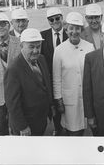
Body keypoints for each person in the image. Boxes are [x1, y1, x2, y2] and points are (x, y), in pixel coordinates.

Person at [4, 28, 52, 136]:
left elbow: (46, 86)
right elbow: (12, 103)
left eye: (38, 46)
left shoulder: (41, 59)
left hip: (41, 120)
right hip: (26, 125)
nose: (36, 50)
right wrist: (22, 126)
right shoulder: (13, 69)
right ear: (21, 46)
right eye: (31, 47)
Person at [53, 12, 94, 136]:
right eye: (71, 28)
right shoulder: (59, 50)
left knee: (89, 132)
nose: (74, 31)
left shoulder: (89, 47)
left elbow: (92, 75)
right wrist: (58, 99)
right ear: (66, 29)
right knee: (73, 133)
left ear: (81, 29)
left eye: (77, 28)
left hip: (87, 99)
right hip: (69, 99)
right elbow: (56, 78)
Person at [41, 7, 68, 136]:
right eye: (51, 20)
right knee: (55, 107)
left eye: (57, 18)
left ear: (62, 18)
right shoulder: (42, 36)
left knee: (68, 104)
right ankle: (57, 129)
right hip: (51, 79)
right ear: (48, 21)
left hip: (68, 78)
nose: (55, 21)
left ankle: (69, 128)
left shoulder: (70, 33)